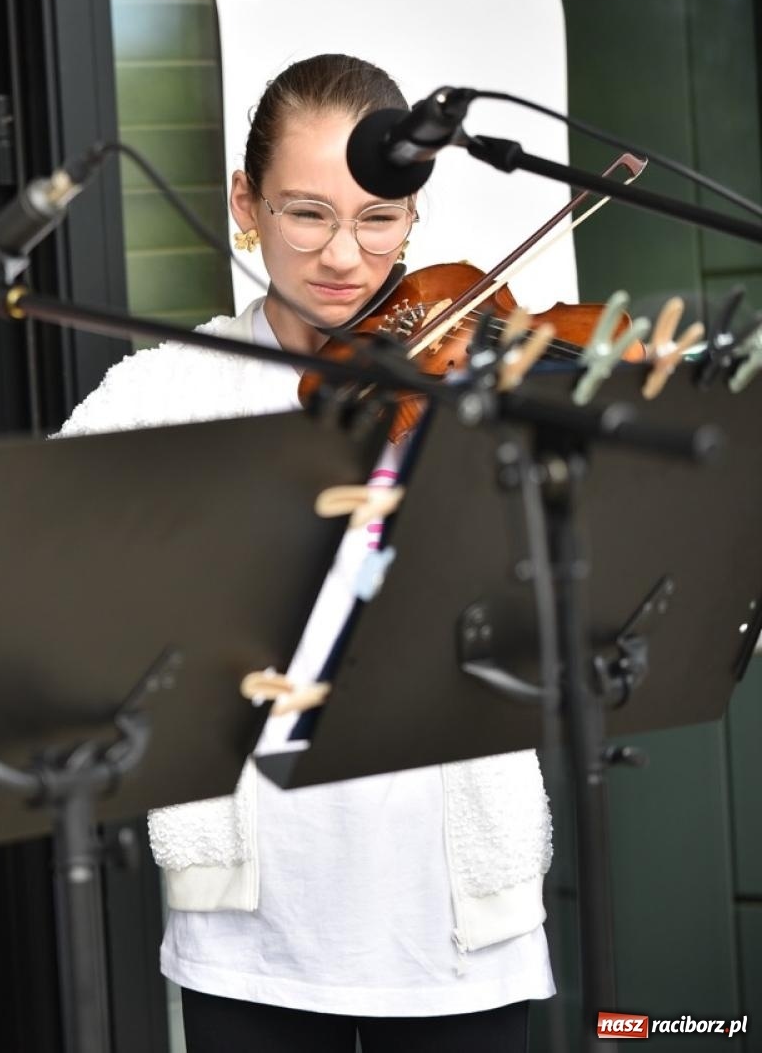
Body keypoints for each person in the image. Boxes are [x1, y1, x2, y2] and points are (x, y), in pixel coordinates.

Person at [58, 54, 554, 1051]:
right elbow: (42, 543)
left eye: (377, 218)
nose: (344, 257)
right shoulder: (169, 391)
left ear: (413, 212)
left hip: (458, 924)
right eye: (306, 214)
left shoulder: (477, 369)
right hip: (255, 932)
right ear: (244, 203)